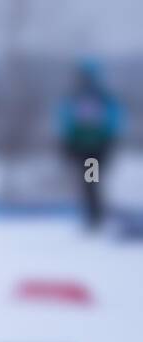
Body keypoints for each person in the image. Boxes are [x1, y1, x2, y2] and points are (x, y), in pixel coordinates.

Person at [57, 59, 124, 230]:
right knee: (91, 182)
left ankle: (95, 217)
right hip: (89, 148)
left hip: (92, 149)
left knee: (91, 182)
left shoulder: (92, 97)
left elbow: (66, 121)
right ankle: (94, 215)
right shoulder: (95, 97)